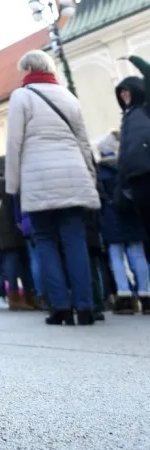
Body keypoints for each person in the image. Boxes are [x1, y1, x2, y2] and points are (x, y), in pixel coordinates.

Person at [6, 50, 100, 325]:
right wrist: (90, 177)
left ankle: (60, 307)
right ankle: (85, 307)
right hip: (73, 174)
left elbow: (14, 143)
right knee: (75, 241)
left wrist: (13, 187)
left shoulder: (21, 96)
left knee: (45, 240)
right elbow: (84, 142)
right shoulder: (68, 96)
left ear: (28, 70)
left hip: (38, 178)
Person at [96, 131, 150, 314]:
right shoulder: (129, 166)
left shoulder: (101, 171)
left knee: (116, 255)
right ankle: (145, 293)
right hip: (132, 213)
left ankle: (124, 294)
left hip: (111, 216)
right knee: (138, 253)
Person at [0, 156, 37, 310]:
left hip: (1, 231)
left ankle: (20, 296)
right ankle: (19, 297)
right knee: (17, 264)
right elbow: (11, 205)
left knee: (13, 263)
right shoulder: (2, 183)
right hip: (11, 229)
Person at [115, 58, 150, 242]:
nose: (124, 95)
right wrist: (123, 183)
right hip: (136, 181)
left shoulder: (146, 109)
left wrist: (135, 61)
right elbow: (124, 155)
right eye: (121, 93)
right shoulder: (126, 119)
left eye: (126, 90)